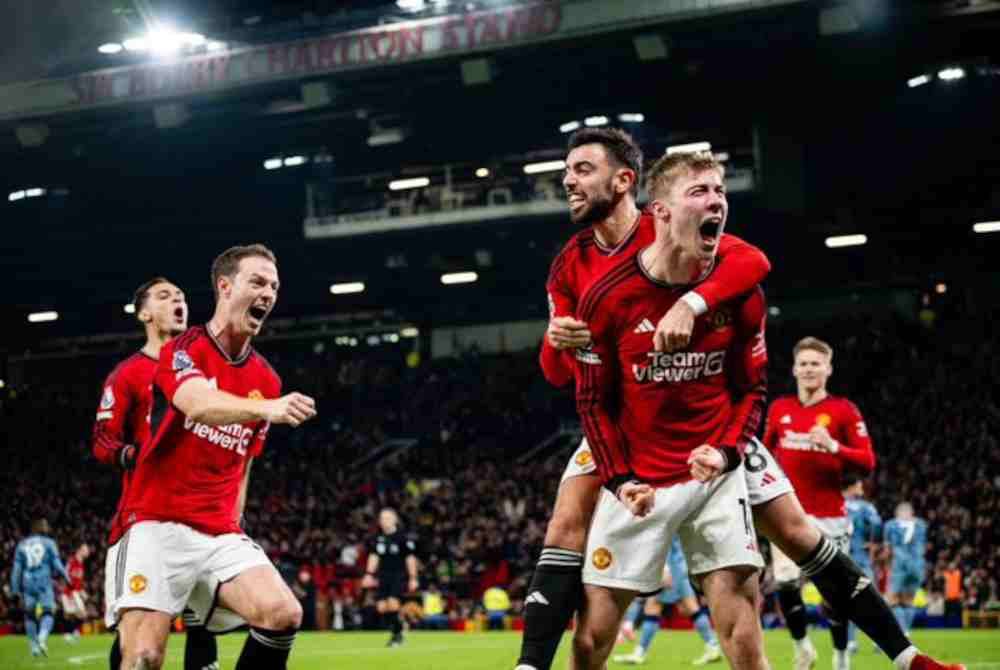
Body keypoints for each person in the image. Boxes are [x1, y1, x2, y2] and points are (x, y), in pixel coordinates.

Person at [516, 127, 772, 670]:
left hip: (710, 422)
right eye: (568, 171)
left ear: (626, 181)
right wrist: (555, 341)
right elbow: (562, 377)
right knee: (565, 524)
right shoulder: (572, 264)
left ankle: (902, 653)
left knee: (792, 535)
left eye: (582, 170)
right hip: (631, 424)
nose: (568, 181)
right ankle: (530, 664)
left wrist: (694, 304)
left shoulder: (675, 229)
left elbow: (752, 263)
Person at [102, 243, 318, 670]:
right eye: (256, 282)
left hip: (219, 532)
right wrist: (268, 409)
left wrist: (236, 521)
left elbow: (244, 466)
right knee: (144, 656)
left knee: (283, 614)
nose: (268, 293)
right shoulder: (182, 349)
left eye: (274, 286)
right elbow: (196, 402)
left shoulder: (266, 378)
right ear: (224, 286)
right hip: (155, 524)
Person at [92, 276, 218, 670]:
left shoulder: (204, 370)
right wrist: (136, 454)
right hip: (147, 517)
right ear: (144, 313)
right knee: (137, 633)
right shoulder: (128, 374)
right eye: (165, 297)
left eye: (181, 296)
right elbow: (102, 441)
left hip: (203, 515)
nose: (178, 302)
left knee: (203, 621)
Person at [765, 336, 877, 670]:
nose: (809, 369)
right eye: (804, 363)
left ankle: (841, 658)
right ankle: (803, 649)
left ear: (828, 369)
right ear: (795, 369)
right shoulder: (780, 409)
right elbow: (764, 453)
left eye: (816, 363)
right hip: (787, 514)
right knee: (785, 584)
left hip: (830, 517)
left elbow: (868, 461)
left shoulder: (844, 410)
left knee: (835, 597)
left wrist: (834, 447)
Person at [613, 536, 721, 666]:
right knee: (686, 606)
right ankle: (712, 645)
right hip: (679, 567)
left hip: (672, 568)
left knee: (656, 606)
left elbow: (664, 539)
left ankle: (640, 652)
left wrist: (665, 569)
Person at [10, 519, 69, 657]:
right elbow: (56, 563)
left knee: (30, 615)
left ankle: (34, 647)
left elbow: (17, 569)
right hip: (43, 582)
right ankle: (42, 637)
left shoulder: (22, 544)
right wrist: (65, 576)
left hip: (27, 583)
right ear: (43, 528)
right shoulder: (49, 543)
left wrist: (15, 589)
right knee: (48, 612)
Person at [361, 508, 419, 647]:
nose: (384, 521)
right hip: (383, 576)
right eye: (382, 518)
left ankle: (397, 636)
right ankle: (399, 628)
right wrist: (368, 575)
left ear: (395, 520)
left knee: (393, 603)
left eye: (387, 518)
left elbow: (410, 558)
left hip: (399, 575)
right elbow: (374, 557)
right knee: (381, 607)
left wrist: (413, 578)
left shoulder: (403, 537)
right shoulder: (377, 538)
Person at [844, 476, 883, 653]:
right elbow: (877, 524)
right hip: (861, 556)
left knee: (849, 602)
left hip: (842, 558)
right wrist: (873, 542)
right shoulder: (867, 507)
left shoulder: (838, 504)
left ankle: (852, 642)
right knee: (872, 599)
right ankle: (879, 641)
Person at [883, 503, 928, 634]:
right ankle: (907, 631)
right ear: (911, 513)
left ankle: (901, 632)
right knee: (908, 600)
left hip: (899, 565)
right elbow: (923, 546)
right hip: (917, 566)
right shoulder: (921, 524)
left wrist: (887, 564)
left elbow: (888, 550)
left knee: (892, 600)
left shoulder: (891, 525)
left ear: (897, 514)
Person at [61, 543, 91, 644]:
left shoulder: (81, 564)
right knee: (71, 613)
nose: (88, 552)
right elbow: (65, 574)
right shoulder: (72, 561)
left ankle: (72, 632)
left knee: (79, 613)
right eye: (86, 550)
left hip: (76, 592)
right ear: (80, 550)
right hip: (70, 592)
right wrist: (70, 588)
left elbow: (79, 580)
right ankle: (69, 633)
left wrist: (82, 591)